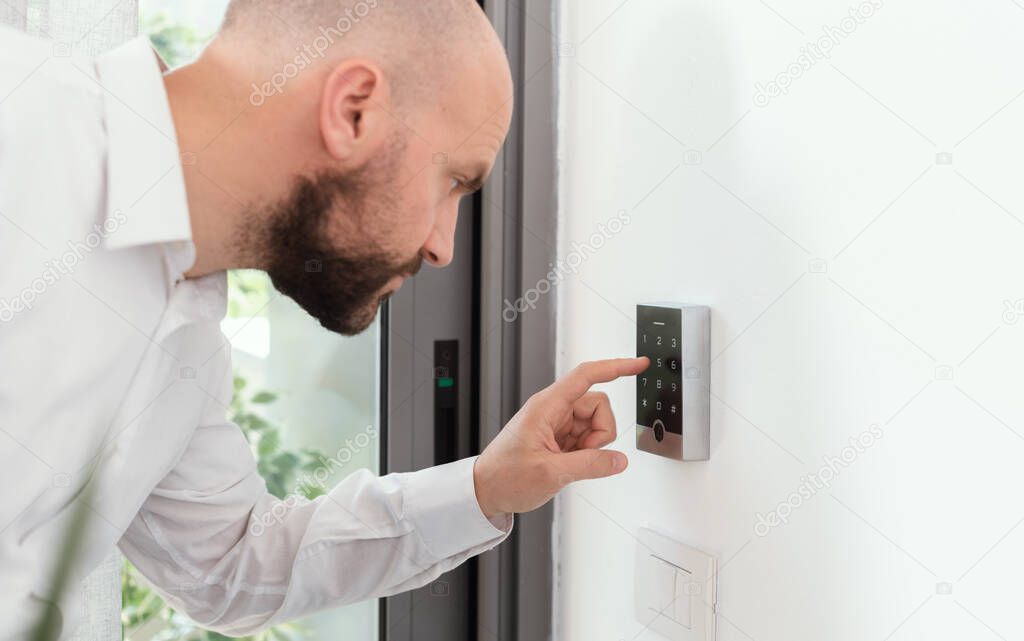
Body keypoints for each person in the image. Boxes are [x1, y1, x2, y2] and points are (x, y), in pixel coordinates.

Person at [0, 0, 647, 636]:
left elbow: (231, 564)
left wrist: (485, 487)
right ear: (353, 109)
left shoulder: (185, 337)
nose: (443, 246)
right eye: (452, 180)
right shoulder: (19, 128)